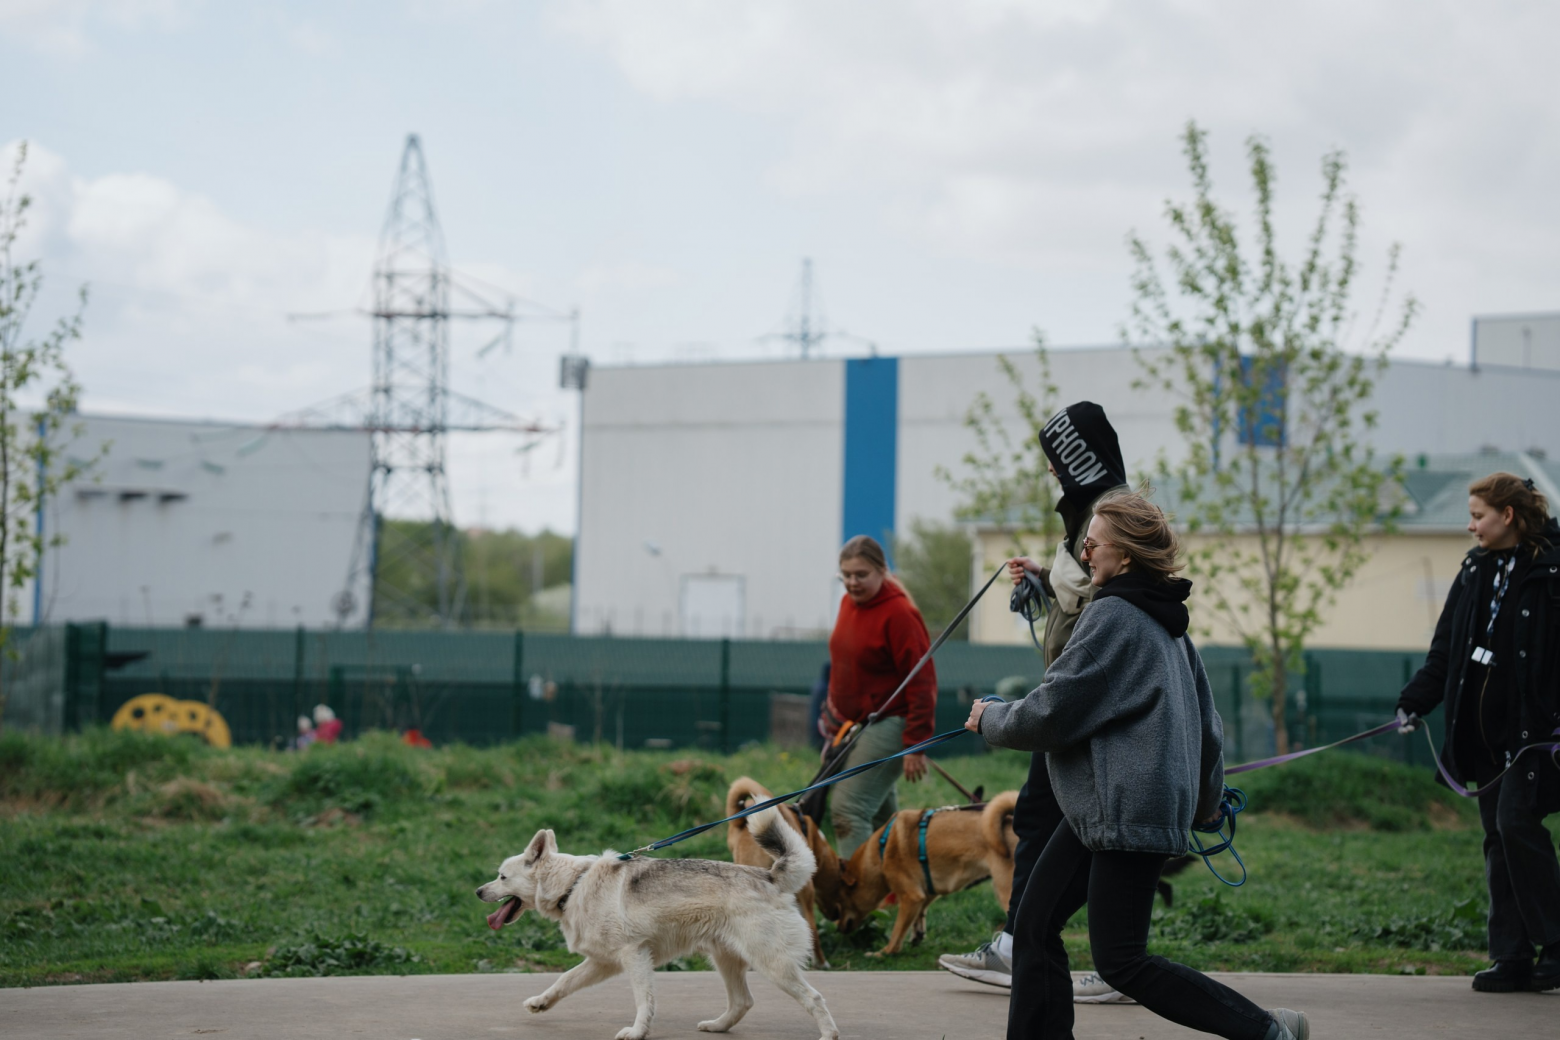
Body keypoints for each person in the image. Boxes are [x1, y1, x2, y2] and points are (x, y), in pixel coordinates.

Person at [967, 490, 1307, 1040]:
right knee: (1033, 924)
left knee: (1121, 960)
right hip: (1109, 812)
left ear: (1124, 556)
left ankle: (1264, 1031)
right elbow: (1209, 727)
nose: (1085, 551)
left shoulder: (1115, 618)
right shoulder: (1169, 623)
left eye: (1093, 543)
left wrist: (992, 718)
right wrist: (1203, 801)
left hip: (1124, 813)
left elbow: (1054, 711)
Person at [939, 401, 1132, 1003]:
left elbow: (1112, 594)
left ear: (1079, 456)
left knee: (1067, 822)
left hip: (1086, 700)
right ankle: (1059, 948)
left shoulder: (1110, 515)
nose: (1052, 472)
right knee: (1052, 819)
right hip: (1076, 694)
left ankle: (1093, 956)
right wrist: (1046, 578)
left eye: (1056, 460)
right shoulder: (1090, 515)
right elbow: (1087, 588)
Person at [1396, 472, 1560, 994]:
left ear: (1507, 515)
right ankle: (1511, 956)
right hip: (1482, 737)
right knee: (1497, 838)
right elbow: (1446, 649)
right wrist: (1415, 701)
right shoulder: (1474, 569)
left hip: (1534, 736)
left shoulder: (1551, 569)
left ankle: (1556, 945)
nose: (1471, 527)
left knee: (1517, 824)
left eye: (1478, 516)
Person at [819, 534, 935, 859]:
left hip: (891, 723)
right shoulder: (847, 603)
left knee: (848, 811)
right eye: (846, 575)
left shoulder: (899, 614)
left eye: (861, 575)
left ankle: (855, 902)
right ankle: (900, 892)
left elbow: (923, 681)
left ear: (882, 571)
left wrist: (916, 743)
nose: (852, 583)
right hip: (853, 724)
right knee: (884, 820)